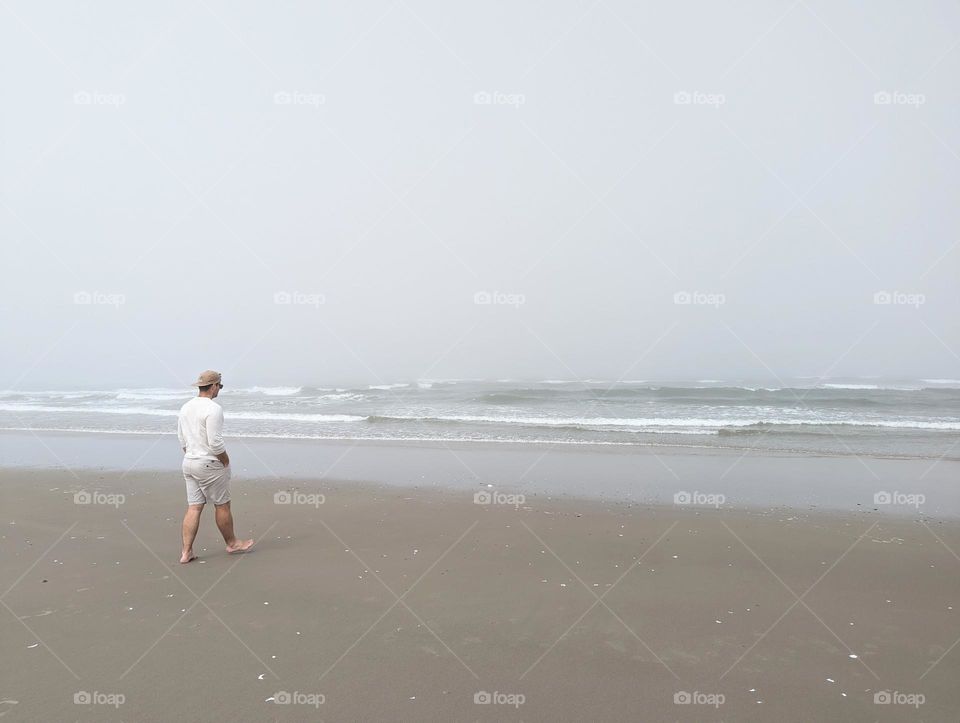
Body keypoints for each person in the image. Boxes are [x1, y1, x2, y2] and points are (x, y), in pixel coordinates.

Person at [176, 370, 254, 563]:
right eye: (219, 386)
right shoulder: (213, 408)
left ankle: (186, 552)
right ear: (213, 386)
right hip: (209, 463)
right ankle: (232, 543)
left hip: (189, 462)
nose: (219, 389)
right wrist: (225, 461)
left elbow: (181, 439)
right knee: (222, 505)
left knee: (194, 507)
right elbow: (215, 442)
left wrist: (192, 455)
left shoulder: (185, 407)